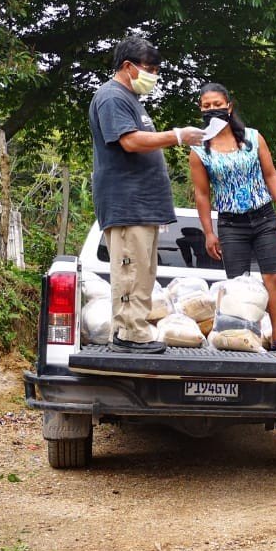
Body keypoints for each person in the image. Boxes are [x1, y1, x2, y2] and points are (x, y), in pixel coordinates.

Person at [88, 36, 205, 354]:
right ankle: (128, 333)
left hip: (143, 206)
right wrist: (177, 136)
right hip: (127, 204)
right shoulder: (112, 97)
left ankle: (135, 330)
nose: (153, 75)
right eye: (149, 69)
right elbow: (129, 141)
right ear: (127, 67)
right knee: (131, 270)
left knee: (143, 272)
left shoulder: (130, 99)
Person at [188, 82, 276, 351]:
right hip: (231, 224)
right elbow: (202, 195)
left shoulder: (252, 137)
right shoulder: (199, 149)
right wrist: (209, 232)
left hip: (263, 218)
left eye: (217, 104)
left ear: (229, 106)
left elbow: (271, 174)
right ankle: (248, 336)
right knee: (237, 285)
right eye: (206, 106)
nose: (212, 109)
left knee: (273, 278)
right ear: (201, 110)